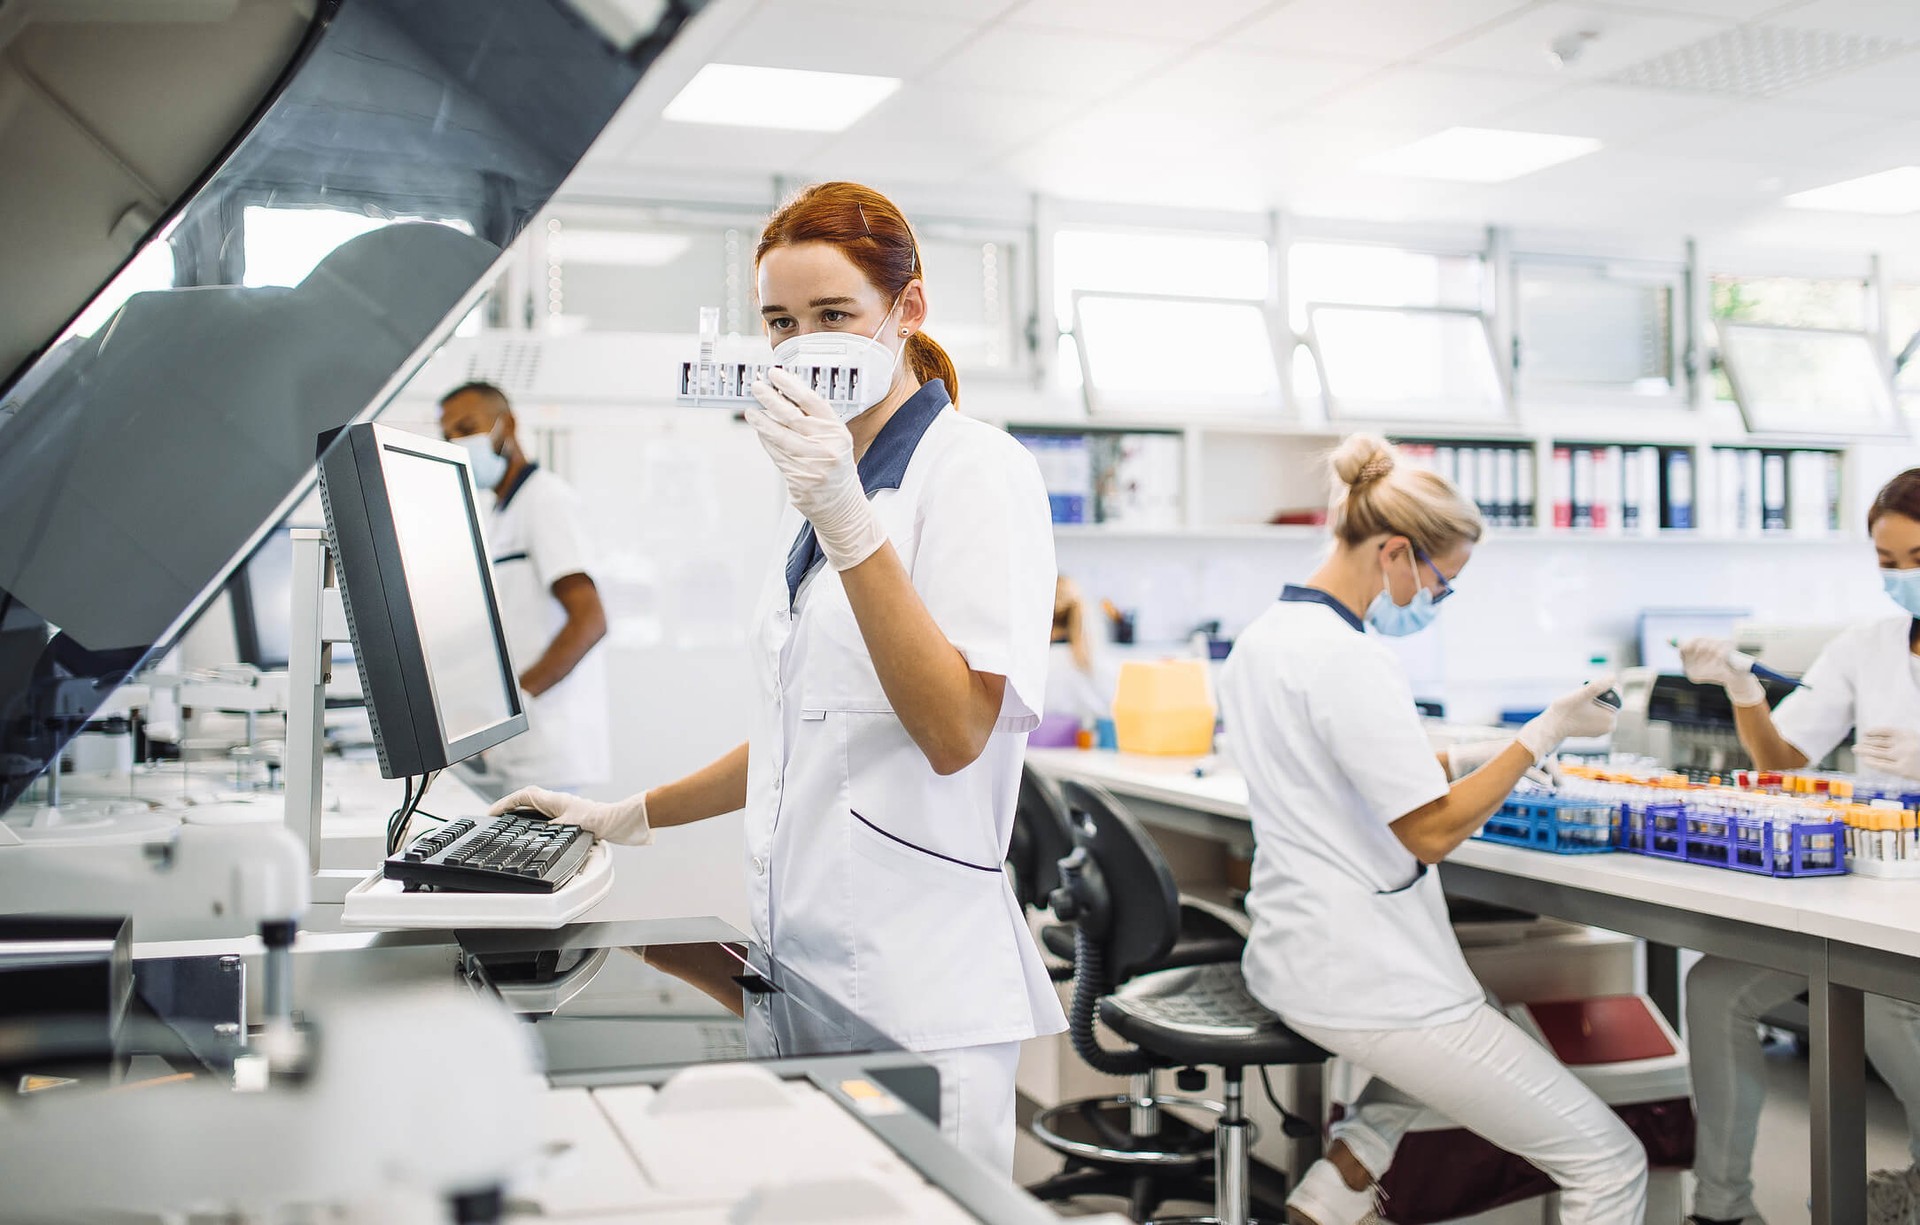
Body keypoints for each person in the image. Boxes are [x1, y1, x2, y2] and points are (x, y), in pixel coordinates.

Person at [490, 182, 1063, 1174]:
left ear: (908, 309)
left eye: (834, 316)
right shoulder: (820, 490)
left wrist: (849, 521)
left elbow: (954, 729)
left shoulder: (975, 472)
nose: (805, 347)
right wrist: (628, 813)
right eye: (780, 324)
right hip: (806, 971)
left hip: (918, 989)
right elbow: (810, 733)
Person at [1216, 434, 1648, 1225]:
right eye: (1442, 583)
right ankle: (1339, 1184)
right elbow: (1433, 831)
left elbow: (1362, 752)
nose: (1437, 599)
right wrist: (1538, 736)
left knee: (1476, 999)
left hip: (1290, 952)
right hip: (1365, 979)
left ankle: (1334, 1189)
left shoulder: (1264, 637)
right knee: (1610, 1161)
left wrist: (1487, 749)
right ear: (1395, 552)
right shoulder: (1348, 655)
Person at [1679, 468, 1920, 1225]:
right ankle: (1722, 1210)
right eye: (1887, 563)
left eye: (1917, 557)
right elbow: (1784, 762)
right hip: (1869, 877)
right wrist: (1744, 692)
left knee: (1881, 996)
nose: (1902, 577)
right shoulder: (1869, 644)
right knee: (1714, 989)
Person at [438, 381, 609, 794]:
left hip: (551, 756)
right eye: (449, 437)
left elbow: (589, 621)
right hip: (516, 755)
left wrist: (513, 702)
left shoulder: (545, 500)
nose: (458, 444)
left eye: (467, 428)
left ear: (507, 425)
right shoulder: (499, 514)